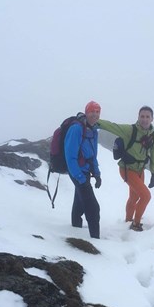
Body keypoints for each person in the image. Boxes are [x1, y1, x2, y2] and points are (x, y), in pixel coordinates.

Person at [97, 106, 154, 232]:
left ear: (152, 119)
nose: (145, 119)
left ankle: (128, 221)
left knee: (135, 197)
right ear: (138, 117)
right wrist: (93, 121)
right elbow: (112, 126)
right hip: (127, 169)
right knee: (146, 196)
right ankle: (135, 225)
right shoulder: (130, 130)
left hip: (140, 170)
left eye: (148, 117)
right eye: (142, 116)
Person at [64, 101, 102, 239]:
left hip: (84, 171)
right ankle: (96, 240)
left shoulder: (93, 130)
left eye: (97, 112)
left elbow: (93, 155)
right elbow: (70, 157)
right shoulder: (76, 129)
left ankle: (75, 231)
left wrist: (97, 174)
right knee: (93, 208)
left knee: (79, 202)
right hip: (76, 172)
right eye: (92, 111)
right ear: (86, 112)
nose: (95, 114)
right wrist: (80, 178)